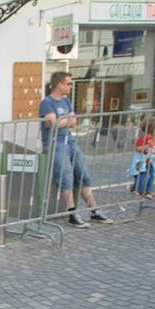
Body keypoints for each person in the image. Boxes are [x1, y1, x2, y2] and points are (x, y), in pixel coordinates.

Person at [40, 72, 114, 228]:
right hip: (56, 144)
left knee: (83, 175)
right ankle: (72, 213)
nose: (71, 86)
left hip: (70, 141)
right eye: (68, 83)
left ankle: (94, 211)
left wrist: (62, 121)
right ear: (59, 84)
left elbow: (73, 121)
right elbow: (54, 124)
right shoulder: (47, 102)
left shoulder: (66, 101)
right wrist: (63, 121)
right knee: (66, 178)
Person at [127, 117, 155, 199]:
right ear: (152, 128)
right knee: (142, 175)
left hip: (150, 161)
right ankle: (141, 191)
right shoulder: (142, 138)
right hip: (141, 160)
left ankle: (149, 190)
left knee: (152, 175)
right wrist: (147, 146)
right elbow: (138, 148)